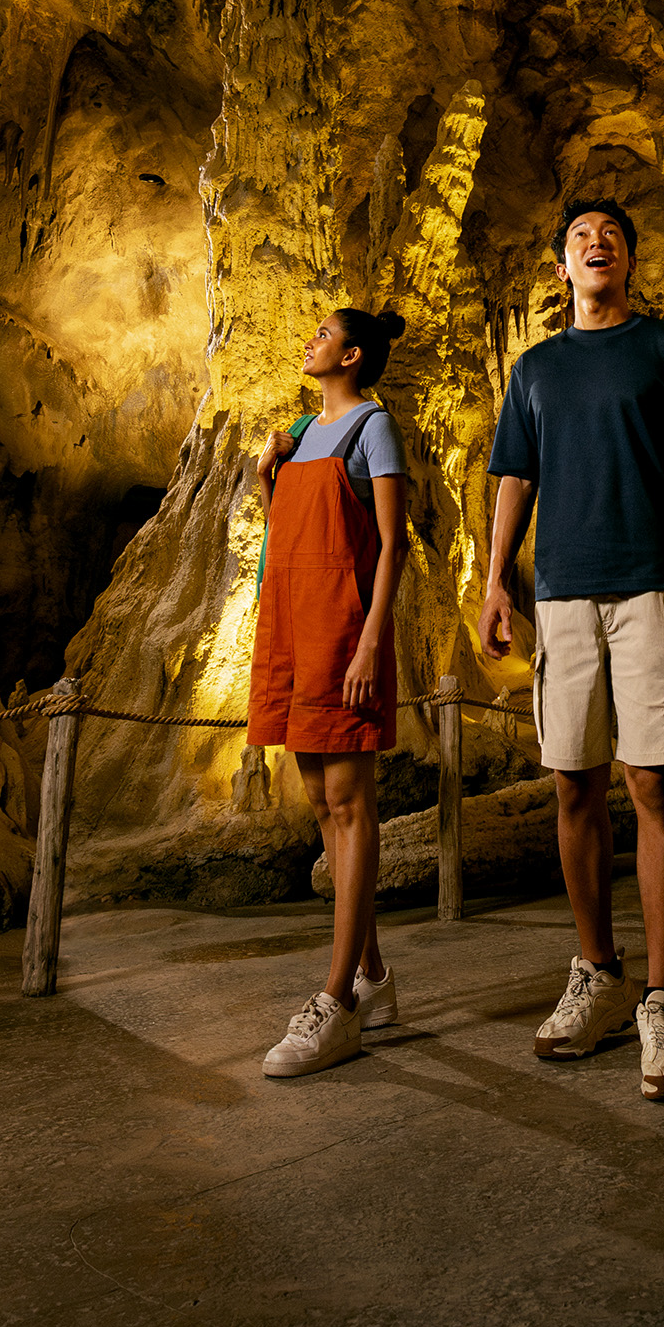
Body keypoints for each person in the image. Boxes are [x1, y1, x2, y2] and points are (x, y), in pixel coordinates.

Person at [480, 198, 664, 1101]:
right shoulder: (532, 370)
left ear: (628, 261)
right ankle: (596, 973)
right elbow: (512, 477)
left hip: (651, 586)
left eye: (608, 234)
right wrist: (496, 578)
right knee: (574, 780)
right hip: (563, 592)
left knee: (654, 780)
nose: (593, 242)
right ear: (560, 267)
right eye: (577, 236)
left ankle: (660, 997)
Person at [252, 306, 416, 1081]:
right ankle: (373, 976)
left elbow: (391, 543)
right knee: (322, 806)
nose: (307, 339)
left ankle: (336, 1003)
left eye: (321, 332)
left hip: (343, 632)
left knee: (350, 806)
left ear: (351, 355)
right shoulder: (297, 432)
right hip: (291, 629)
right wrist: (264, 479)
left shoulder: (370, 429)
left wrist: (372, 639)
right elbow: (285, 538)